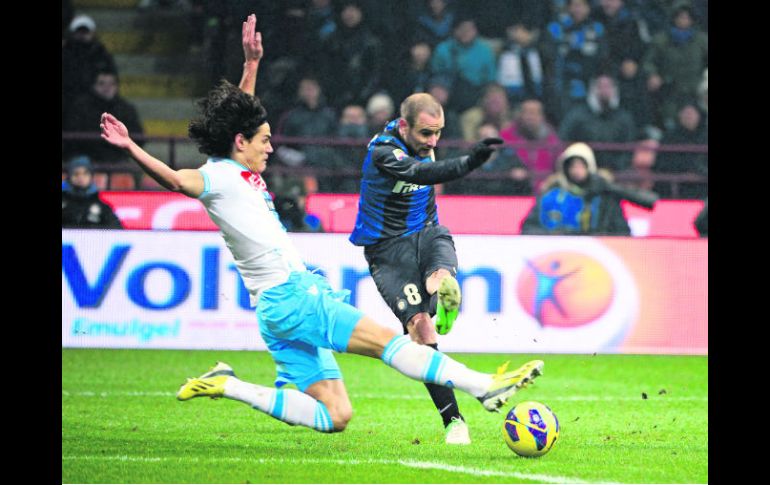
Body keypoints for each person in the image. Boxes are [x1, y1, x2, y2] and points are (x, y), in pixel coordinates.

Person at [99, 14, 544, 436]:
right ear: (241, 144)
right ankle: (483, 385)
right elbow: (176, 179)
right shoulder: (214, 177)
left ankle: (227, 384)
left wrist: (251, 64)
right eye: (265, 140)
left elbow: (239, 117)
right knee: (392, 344)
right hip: (295, 299)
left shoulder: (231, 163)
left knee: (336, 415)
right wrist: (130, 147)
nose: (271, 148)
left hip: (274, 314)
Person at [348, 90, 516, 445]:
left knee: (440, 279)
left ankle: (444, 293)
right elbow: (419, 173)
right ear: (405, 125)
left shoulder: (422, 139)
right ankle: (454, 421)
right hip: (387, 249)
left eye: (438, 133)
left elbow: (426, 166)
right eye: (426, 133)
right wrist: (470, 162)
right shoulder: (382, 151)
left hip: (427, 232)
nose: (433, 140)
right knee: (421, 331)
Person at [521, 142, 657, 235]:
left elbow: (623, 233)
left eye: (581, 166)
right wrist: (552, 236)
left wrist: (609, 187)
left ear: (589, 167)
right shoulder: (551, 195)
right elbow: (528, 228)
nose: (576, 171)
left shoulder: (604, 197)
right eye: (572, 166)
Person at [63, 70, 145, 164]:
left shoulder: (126, 109)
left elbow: (139, 138)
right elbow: (73, 139)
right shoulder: (80, 107)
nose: (107, 87)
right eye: (102, 83)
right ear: (93, 86)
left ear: (117, 86)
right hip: (86, 159)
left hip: (118, 160)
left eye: (112, 83)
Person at [62, 156, 123, 229]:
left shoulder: (101, 206)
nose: (81, 177)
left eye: (85, 173)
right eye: (76, 174)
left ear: (91, 177)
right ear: (69, 177)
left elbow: (117, 231)